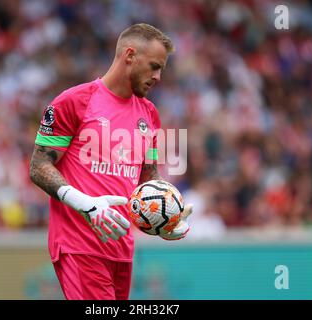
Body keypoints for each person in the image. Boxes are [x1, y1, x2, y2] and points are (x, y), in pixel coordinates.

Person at [29, 23, 193, 300]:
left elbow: (148, 175)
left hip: (122, 247)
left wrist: (165, 216)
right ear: (129, 55)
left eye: (161, 69)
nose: (158, 76)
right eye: (154, 66)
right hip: (80, 244)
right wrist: (85, 204)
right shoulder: (75, 101)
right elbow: (39, 166)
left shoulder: (149, 114)